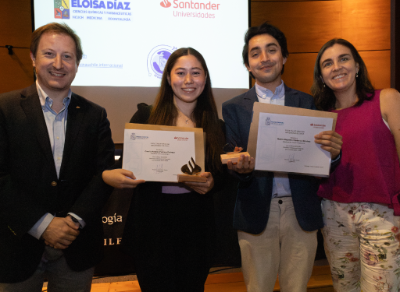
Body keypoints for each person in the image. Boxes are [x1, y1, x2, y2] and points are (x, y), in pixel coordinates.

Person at [222, 22, 343, 292]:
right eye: (255, 53)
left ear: (284, 57)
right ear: (247, 64)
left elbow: (324, 158)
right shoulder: (233, 108)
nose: (264, 58)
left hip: (299, 209)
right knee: (258, 287)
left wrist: (333, 155)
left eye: (271, 50)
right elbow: (231, 156)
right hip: (256, 209)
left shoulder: (309, 103)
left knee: (297, 288)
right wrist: (239, 167)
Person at [0, 23, 115, 291]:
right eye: (49, 54)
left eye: (68, 56)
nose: (59, 64)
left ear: (77, 63)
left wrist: (72, 221)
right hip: (18, 243)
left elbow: (104, 173)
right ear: (32, 58)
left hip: (76, 245)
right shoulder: (4, 109)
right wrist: (44, 225)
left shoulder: (95, 114)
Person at [102, 47, 225, 292]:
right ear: (169, 78)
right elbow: (126, 164)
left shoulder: (216, 126)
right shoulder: (146, 117)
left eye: (196, 73)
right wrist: (110, 174)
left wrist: (212, 183)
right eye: (180, 73)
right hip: (152, 229)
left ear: (205, 78)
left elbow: (221, 177)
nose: (188, 81)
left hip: (196, 229)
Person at [311, 38, 400, 292]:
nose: (336, 67)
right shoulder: (319, 116)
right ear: (322, 75)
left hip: (382, 215)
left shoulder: (387, 99)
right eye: (327, 63)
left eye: (344, 59)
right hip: (333, 215)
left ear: (357, 65)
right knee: (344, 288)